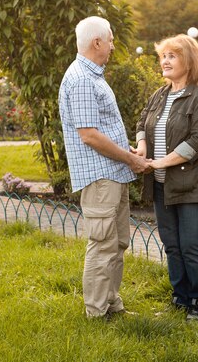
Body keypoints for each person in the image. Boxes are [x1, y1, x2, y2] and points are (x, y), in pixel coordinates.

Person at [58, 16, 150, 319]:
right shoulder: (83, 79)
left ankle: (112, 304)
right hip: (100, 177)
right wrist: (131, 159)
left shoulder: (93, 76)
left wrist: (127, 151)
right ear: (96, 42)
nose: (112, 45)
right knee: (102, 244)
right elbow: (90, 136)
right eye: (109, 39)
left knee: (117, 242)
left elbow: (103, 129)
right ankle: (97, 314)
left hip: (112, 172)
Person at [134, 34, 198, 321]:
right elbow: (142, 121)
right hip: (162, 185)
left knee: (191, 244)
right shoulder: (160, 94)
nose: (165, 61)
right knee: (171, 244)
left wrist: (158, 162)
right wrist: (143, 147)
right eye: (163, 56)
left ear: (189, 60)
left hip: (193, 185)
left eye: (172, 55)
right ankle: (180, 298)